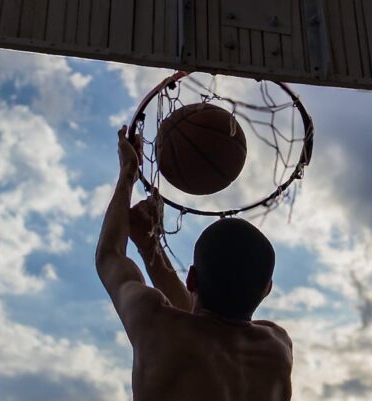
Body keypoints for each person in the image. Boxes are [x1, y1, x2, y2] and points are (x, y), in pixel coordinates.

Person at [95, 126, 292, 401]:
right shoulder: (277, 348)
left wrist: (128, 171)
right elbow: (202, 320)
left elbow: (110, 257)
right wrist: (150, 246)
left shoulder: (156, 324)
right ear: (266, 290)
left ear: (191, 280)